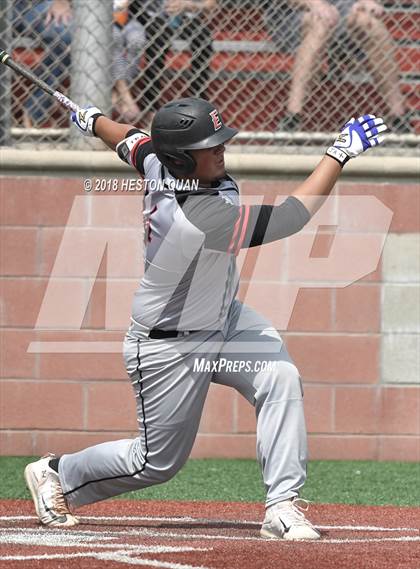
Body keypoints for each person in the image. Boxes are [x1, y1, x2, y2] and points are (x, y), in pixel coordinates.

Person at [24, 98, 387, 538]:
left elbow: (130, 139)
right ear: (181, 158)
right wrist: (338, 154)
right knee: (155, 463)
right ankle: (57, 473)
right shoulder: (199, 215)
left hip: (224, 318)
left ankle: (282, 505)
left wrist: (94, 121)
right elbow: (291, 218)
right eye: (208, 146)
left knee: (280, 377)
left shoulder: (161, 161)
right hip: (169, 342)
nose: (220, 150)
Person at [265, 0, 409, 132]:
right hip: (292, 11)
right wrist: (315, 4)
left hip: (341, 9)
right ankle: (293, 116)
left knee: (371, 24)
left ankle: (398, 116)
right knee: (320, 22)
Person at [129, 0, 216, 126]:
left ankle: (198, 102)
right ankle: (151, 106)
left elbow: (211, 4)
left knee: (203, 39)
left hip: (185, 16)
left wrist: (188, 5)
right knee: (158, 41)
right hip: (152, 16)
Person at [13, 0, 72, 128]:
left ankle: (33, 111)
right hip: (18, 7)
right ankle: (33, 111)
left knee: (71, 36)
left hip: (39, 5)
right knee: (68, 35)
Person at [112, 0, 146, 123]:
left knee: (137, 39)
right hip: (99, 22)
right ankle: (125, 94)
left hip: (125, 18)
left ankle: (116, 93)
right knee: (113, 37)